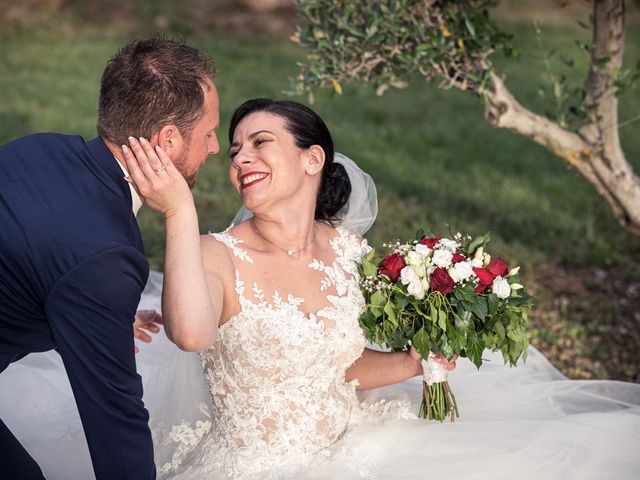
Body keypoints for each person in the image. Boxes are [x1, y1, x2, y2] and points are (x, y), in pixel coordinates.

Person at [2, 99, 640, 479]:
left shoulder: (353, 255)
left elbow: (340, 368)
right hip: (253, 465)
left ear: (313, 160)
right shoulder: (212, 253)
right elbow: (192, 334)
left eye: (260, 143)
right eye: (232, 149)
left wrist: (417, 361)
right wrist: (179, 211)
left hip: (351, 444)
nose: (240, 157)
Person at [0, 36, 220, 479]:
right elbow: (114, 418)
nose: (214, 148)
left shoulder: (38, 149)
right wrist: (179, 209)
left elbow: (35, 263)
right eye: (209, 133)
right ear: (169, 140)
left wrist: (96, 313)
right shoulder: (104, 258)